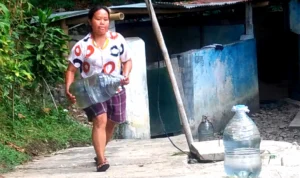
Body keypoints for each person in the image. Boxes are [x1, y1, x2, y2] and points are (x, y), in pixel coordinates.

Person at [64, 5, 132, 172]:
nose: (102, 23)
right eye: (98, 19)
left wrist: (126, 74)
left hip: (115, 87)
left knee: (113, 122)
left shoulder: (118, 39)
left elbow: (127, 60)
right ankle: (101, 160)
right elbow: (71, 70)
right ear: (90, 21)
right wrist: (68, 89)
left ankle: (99, 150)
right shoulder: (82, 46)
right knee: (100, 120)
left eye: (105, 19)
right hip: (91, 91)